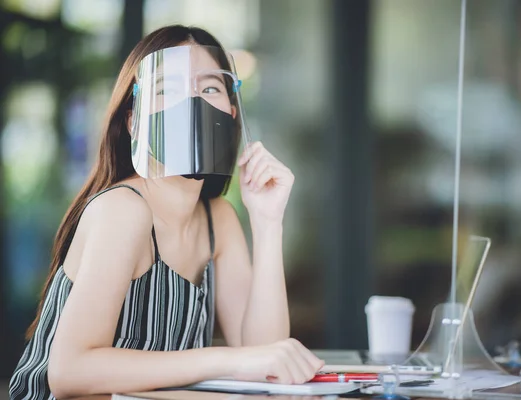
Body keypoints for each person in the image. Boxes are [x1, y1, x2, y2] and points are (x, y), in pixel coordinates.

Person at [9, 25, 324, 400]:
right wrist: (225, 360)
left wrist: (268, 221)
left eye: (209, 89)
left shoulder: (218, 220)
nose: (191, 103)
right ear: (133, 121)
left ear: (232, 112)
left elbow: (268, 359)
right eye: (166, 90)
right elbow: (69, 373)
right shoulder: (123, 209)